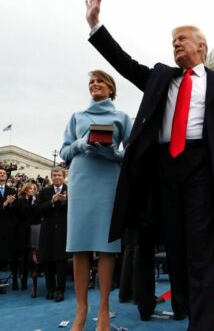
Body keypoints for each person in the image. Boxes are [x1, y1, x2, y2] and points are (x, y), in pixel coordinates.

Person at [85, 0, 214, 331]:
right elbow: (125, 64)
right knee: (175, 247)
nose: (175, 45)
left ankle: (202, 325)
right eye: (172, 41)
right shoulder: (162, 77)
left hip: (203, 167)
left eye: (182, 39)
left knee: (202, 249)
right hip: (163, 169)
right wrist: (95, 25)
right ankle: (183, 304)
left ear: (201, 46)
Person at [60, 70, 132, 331]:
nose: (95, 85)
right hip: (81, 181)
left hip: (108, 183)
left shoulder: (122, 117)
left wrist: (111, 152)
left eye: (100, 81)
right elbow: (65, 151)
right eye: (91, 82)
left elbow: (131, 154)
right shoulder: (77, 117)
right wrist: (80, 144)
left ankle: (103, 308)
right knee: (79, 246)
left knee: (107, 246)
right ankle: (81, 309)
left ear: (111, 88)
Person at [37, 167, 68, 303]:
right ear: (51, 177)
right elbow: (38, 210)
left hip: (64, 230)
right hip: (48, 231)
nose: (57, 177)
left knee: (61, 261)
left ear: (63, 176)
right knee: (48, 260)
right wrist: (51, 201)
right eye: (54, 175)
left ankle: (60, 290)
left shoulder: (70, 190)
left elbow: (76, 209)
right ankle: (50, 289)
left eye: (59, 175)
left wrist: (65, 201)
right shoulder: (44, 191)